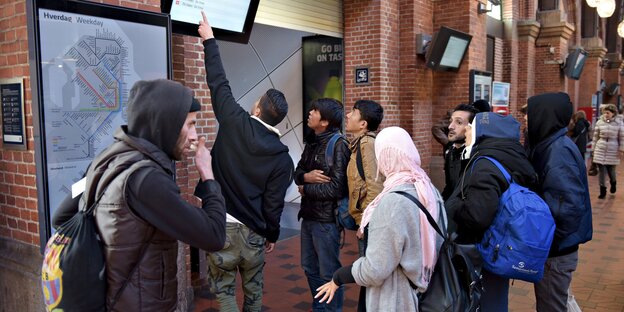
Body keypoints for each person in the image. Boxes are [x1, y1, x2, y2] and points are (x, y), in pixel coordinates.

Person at [51, 79, 227, 311]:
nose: (195, 136)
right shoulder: (147, 181)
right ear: (166, 124)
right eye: (190, 125)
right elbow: (213, 235)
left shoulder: (106, 161)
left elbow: (62, 216)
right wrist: (208, 175)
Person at [198, 13, 295, 312]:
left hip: (221, 226)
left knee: (224, 291)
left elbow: (219, 84)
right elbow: (274, 202)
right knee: (254, 294)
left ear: (257, 106)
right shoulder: (283, 158)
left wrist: (209, 40)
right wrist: (272, 235)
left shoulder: (235, 122)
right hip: (255, 233)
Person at [314, 126, 445, 311]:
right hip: (426, 288)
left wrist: (339, 277)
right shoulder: (429, 189)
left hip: (396, 299)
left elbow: (376, 269)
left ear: (386, 157)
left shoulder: (392, 202)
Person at [444, 112, 537, 311]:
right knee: (495, 299)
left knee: (486, 301)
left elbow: (477, 216)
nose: (467, 130)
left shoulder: (485, 164)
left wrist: (453, 205)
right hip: (500, 244)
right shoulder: (506, 156)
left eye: (471, 127)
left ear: (484, 133)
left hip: (484, 250)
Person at [526, 92, 592, 312]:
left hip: (556, 252)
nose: (526, 118)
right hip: (556, 248)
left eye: (530, 113)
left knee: (551, 306)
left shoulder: (558, 152)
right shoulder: (549, 145)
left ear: (544, 115)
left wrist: (548, 240)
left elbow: (568, 207)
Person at [295, 98, 350, 312]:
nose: (310, 113)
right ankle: (321, 307)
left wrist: (305, 189)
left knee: (329, 273)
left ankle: (329, 310)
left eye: (315, 111)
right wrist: (306, 177)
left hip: (326, 221)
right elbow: (297, 173)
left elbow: (336, 188)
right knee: (309, 268)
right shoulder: (312, 142)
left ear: (325, 121)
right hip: (308, 216)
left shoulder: (338, 145)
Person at [344, 99, 385, 311]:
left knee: (369, 275)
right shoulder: (358, 144)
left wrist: (364, 223)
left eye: (353, 112)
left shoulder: (367, 144)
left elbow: (375, 186)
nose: (348, 115)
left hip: (369, 223)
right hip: (365, 221)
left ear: (364, 124)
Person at [441, 104, 479, 200]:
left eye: (458, 122)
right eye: (451, 121)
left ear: (471, 128)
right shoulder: (450, 150)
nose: (450, 126)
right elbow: (450, 186)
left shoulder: (477, 154)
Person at [592, 103, 624, 199]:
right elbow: (595, 137)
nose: (606, 114)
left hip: (613, 148)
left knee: (611, 171)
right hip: (600, 147)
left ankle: (613, 183)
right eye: (605, 112)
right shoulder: (599, 122)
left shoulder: (619, 123)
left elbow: (622, 137)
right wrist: (593, 149)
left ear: (613, 113)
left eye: (608, 112)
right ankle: (602, 190)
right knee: (601, 170)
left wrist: (621, 149)